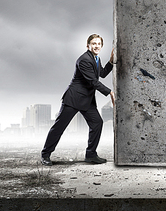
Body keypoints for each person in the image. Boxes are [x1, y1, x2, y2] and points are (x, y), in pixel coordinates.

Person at [41, 34, 115, 166]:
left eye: (98, 44)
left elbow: (102, 74)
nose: (96, 46)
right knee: (59, 128)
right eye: (93, 43)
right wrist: (109, 92)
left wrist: (110, 61)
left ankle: (91, 155)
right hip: (73, 99)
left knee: (97, 123)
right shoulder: (84, 60)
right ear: (88, 46)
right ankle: (45, 154)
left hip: (87, 100)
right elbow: (93, 81)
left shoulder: (96, 59)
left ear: (101, 46)